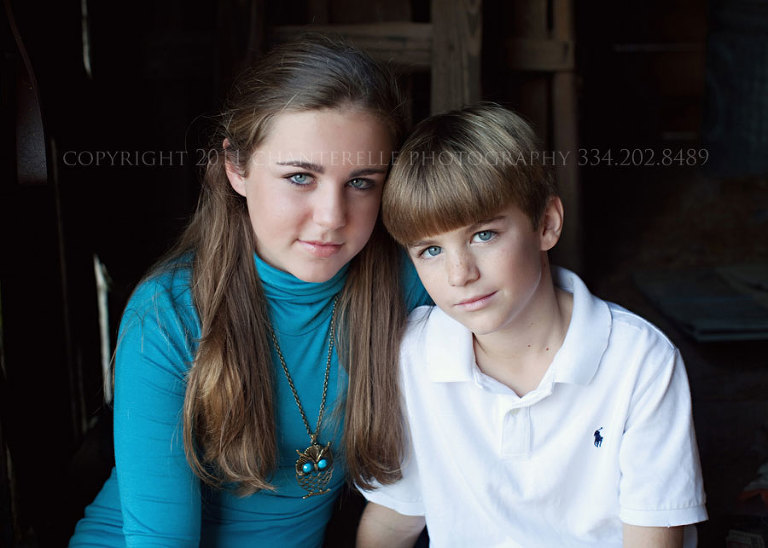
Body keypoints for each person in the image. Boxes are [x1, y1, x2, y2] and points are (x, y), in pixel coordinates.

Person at [69, 35, 429, 547]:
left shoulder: (412, 283)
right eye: (300, 177)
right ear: (236, 168)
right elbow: (161, 539)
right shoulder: (169, 313)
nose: (332, 217)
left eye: (361, 182)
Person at [356, 104, 708, 547]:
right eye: (431, 251)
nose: (459, 274)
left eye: (483, 235)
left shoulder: (640, 361)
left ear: (546, 225)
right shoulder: (413, 354)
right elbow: (394, 518)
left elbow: (651, 538)